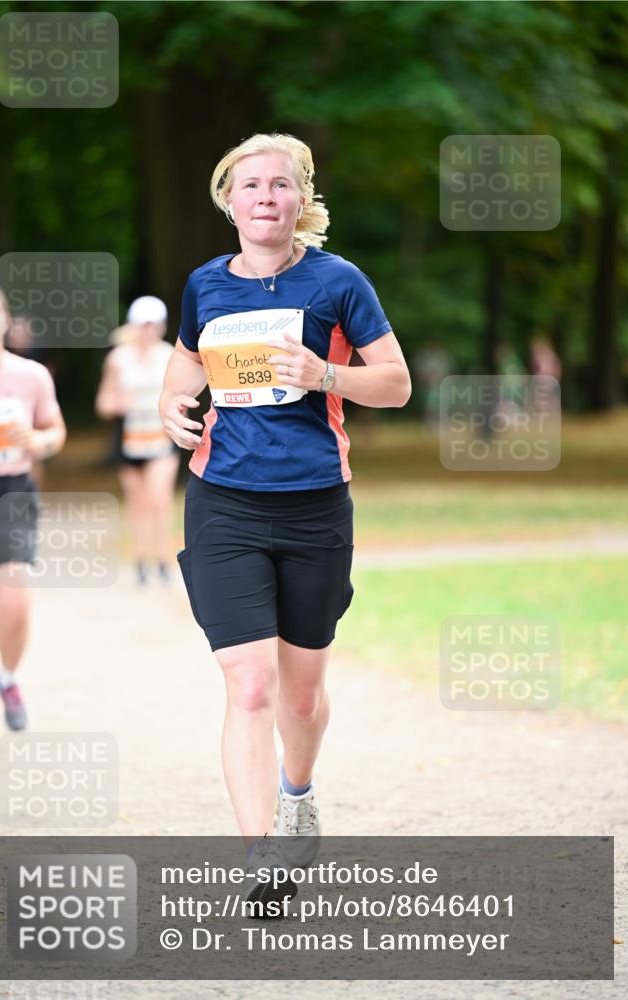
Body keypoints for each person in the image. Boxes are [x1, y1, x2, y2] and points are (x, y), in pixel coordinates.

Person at [159, 133, 411, 906]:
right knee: (250, 685)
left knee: (300, 697)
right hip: (223, 502)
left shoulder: (338, 282)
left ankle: (296, 792)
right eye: (249, 186)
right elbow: (180, 375)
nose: (264, 197)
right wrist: (170, 409)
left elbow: (396, 384)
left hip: (313, 506)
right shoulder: (205, 285)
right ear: (227, 200)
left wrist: (327, 373)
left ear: (300, 201)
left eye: (278, 186)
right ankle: (263, 855)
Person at [0, 279, 66, 748]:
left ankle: (8, 676)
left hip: (14, 491)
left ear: (5, 319)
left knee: (15, 605)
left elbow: (55, 431)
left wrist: (38, 442)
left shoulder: (30, 376)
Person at [96, 296, 180, 585]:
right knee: (139, 503)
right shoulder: (118, 359)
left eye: (153, 325)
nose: (148, 330)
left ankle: (164, 560)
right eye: (143, 325)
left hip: (161, 438)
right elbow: (103, 402)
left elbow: (182, 395)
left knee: (160, 499)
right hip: (130, 439)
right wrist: (117, 403)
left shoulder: (169, 354)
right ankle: (142, 561)